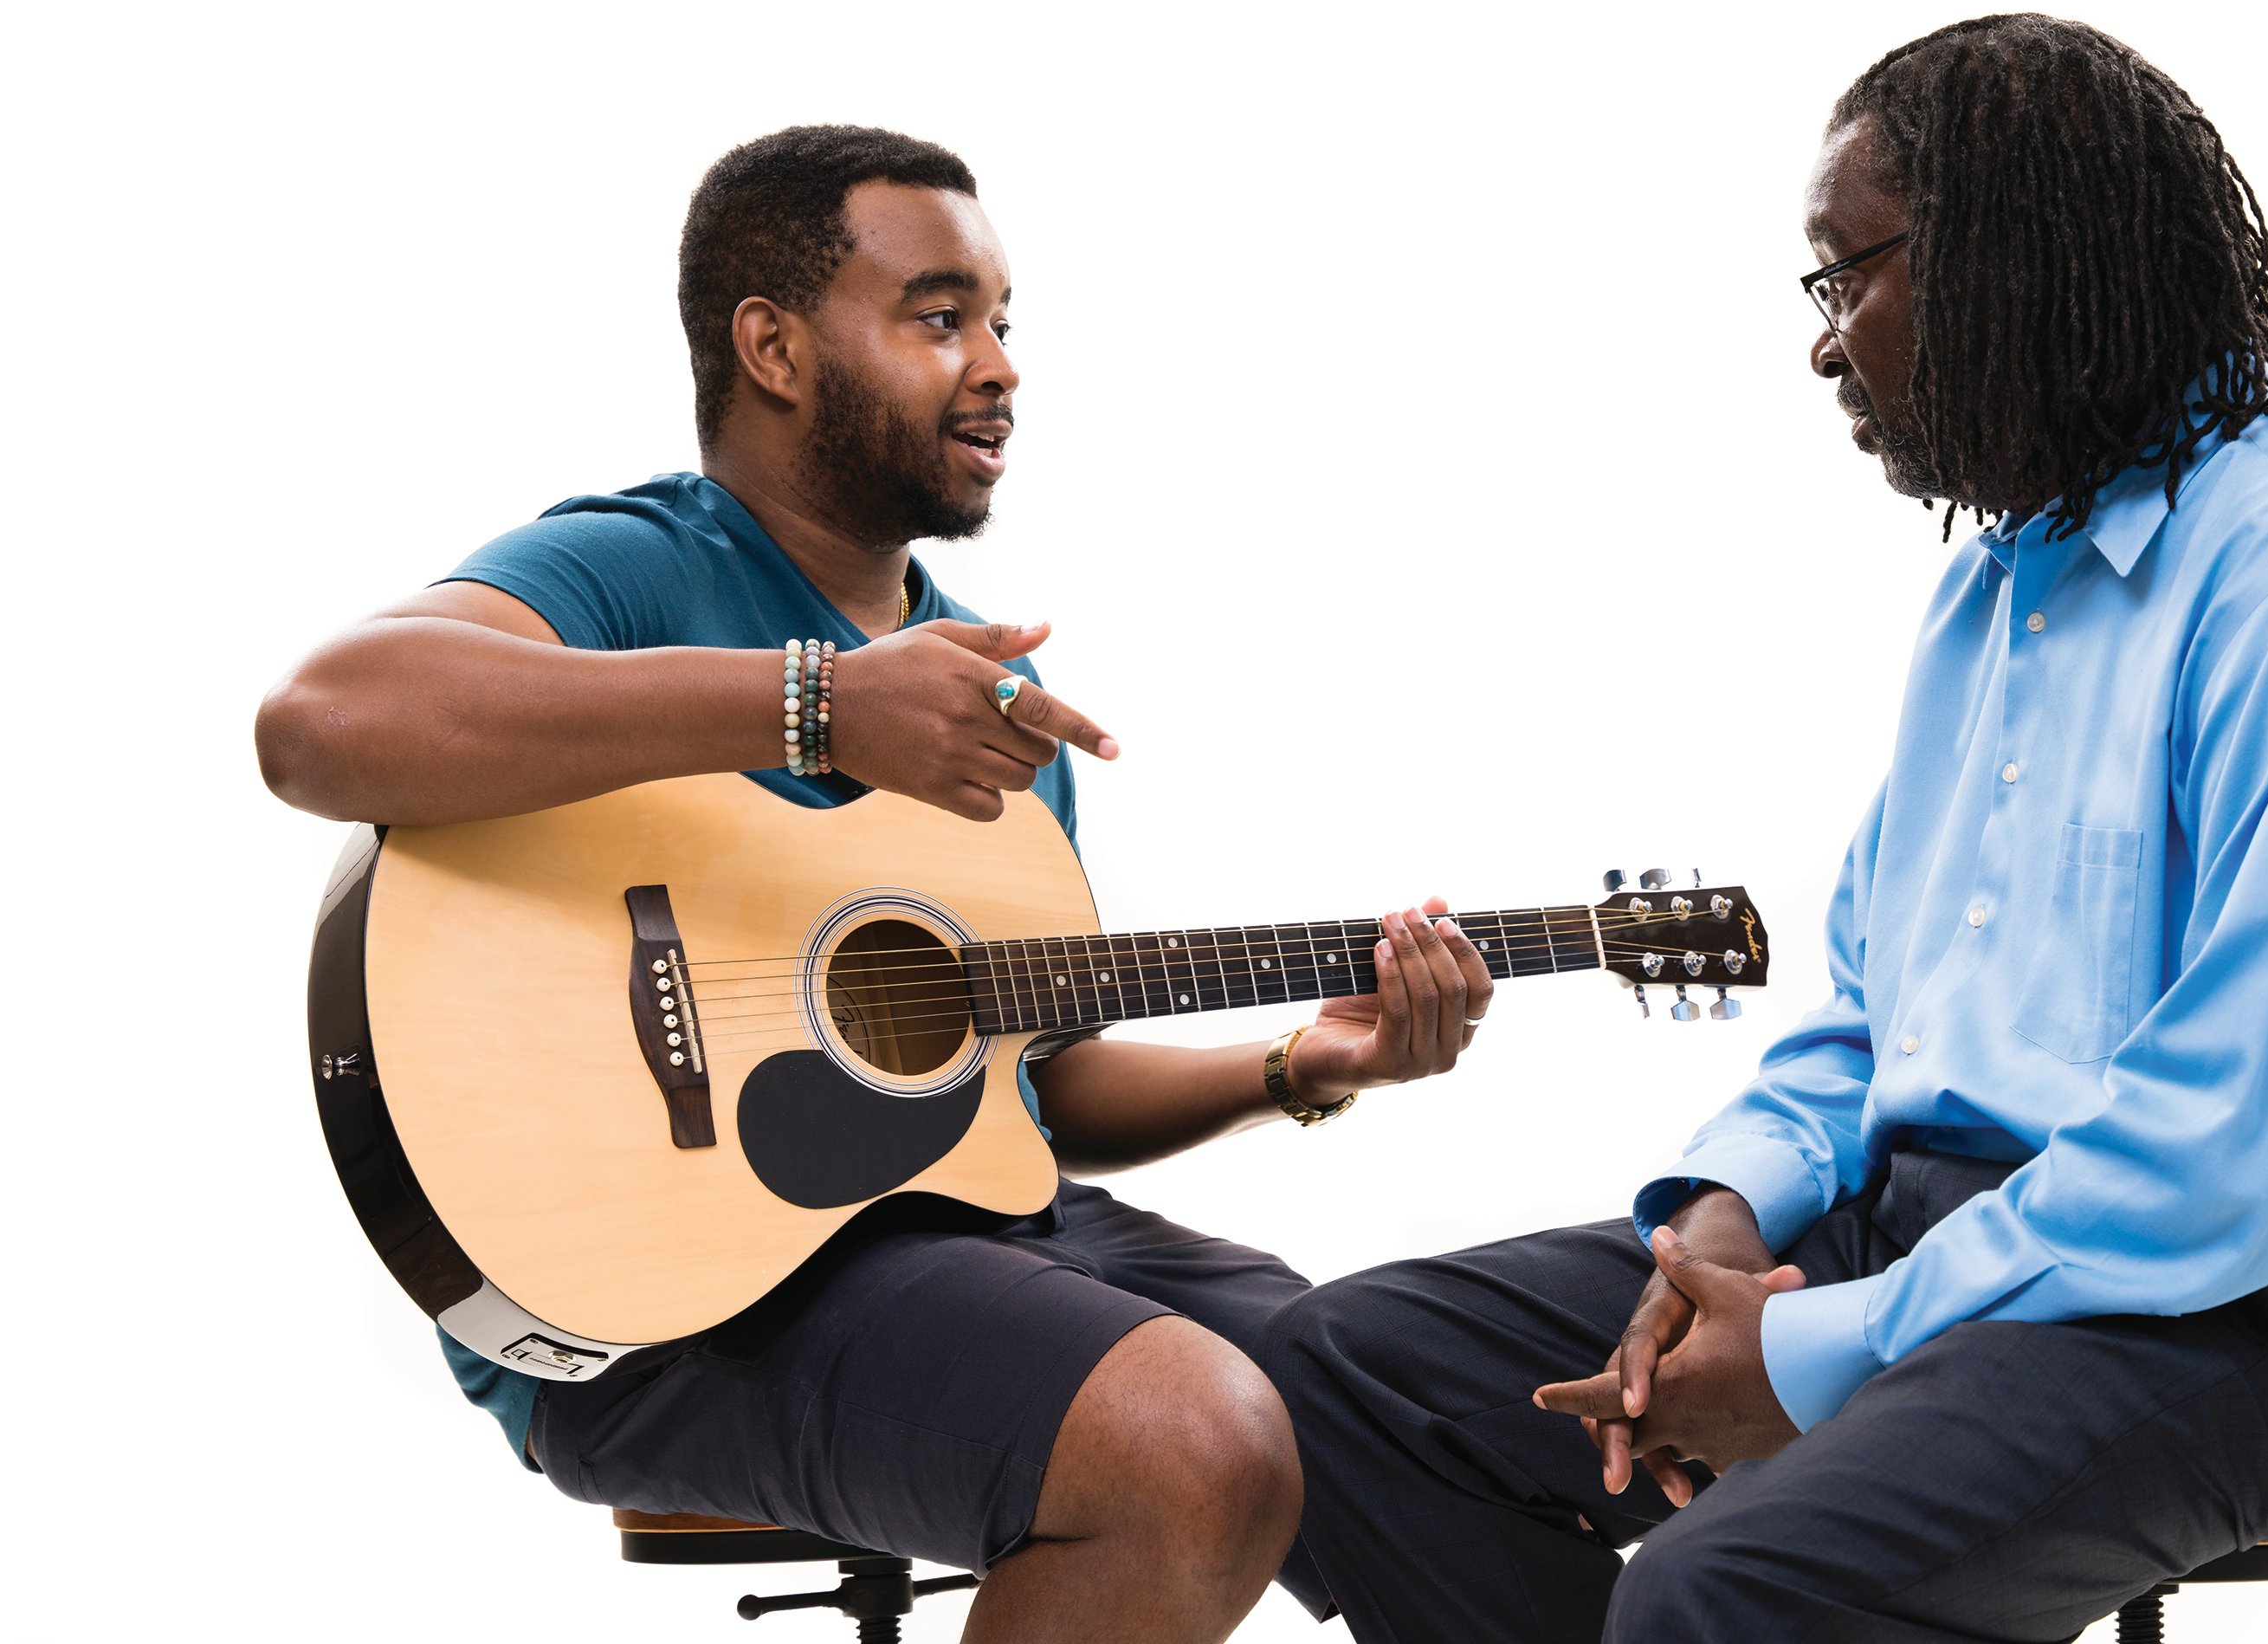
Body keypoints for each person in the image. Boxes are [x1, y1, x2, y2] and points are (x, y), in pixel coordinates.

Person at [1259, 15, 2268, 1643]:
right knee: (1334, 1385)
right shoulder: (1997, 593)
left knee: (1723, 1596)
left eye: (1847, 277)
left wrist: (1822, 1350)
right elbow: (1871, 1012)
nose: (1826, 346)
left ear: (2005, 258)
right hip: (1953, 1230)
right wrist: (1723, 1226)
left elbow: (2257, 1154)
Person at [255, 124, 1493, 1644]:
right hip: (660, 1298)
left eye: (1002, 323)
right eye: (938, 315)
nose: (1000, 366)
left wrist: (1301, 1064)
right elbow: (321, 725)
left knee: (1401, 1409)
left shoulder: (995, 705)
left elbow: (1036, 1097)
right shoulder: (644, 566)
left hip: (965, 1237)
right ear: (771, 346)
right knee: (1194, 1437)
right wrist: (820, 706)